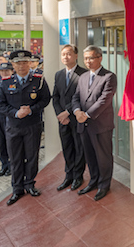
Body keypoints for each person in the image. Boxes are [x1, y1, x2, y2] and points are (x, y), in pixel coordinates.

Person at [0, 50, 50, 206]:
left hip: (32, 125)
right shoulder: (6, 82)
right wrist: (15, 113)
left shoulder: (38, 80)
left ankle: (30, 184)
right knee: (16, 158)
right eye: (18, 63)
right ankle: (17, 188)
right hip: (13, 127)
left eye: (25, 62)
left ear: (30, 63)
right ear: (13, 65)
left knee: (32, 157)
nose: (21, 65)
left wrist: (31, 110)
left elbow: (46, 99)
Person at [72, 45, 117, 201]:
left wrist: (87, 114)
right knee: (90, 156)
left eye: (91, 58)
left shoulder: (109, 76)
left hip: (100, 125)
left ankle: (104, 185)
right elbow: (76, 97)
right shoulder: (83, 76)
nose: (88, 61)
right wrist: (77, 111)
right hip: (83, 124)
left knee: (103, 156)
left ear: (100, 58)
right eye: (85, 58)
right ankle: (93, 181)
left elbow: (104, 100)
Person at [52, 44, 87, 191]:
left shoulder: (84, 74)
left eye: (69, 54)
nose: (66, 57)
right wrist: (60, 115)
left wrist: (68, 112)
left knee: (79, 148)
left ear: (76, 56)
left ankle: (78, 176)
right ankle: (69, 175)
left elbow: (85, 98)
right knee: (66, 147)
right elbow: (55, 96)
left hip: (77, 118)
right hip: (63, 120)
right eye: (63, 54)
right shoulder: (59, 74)